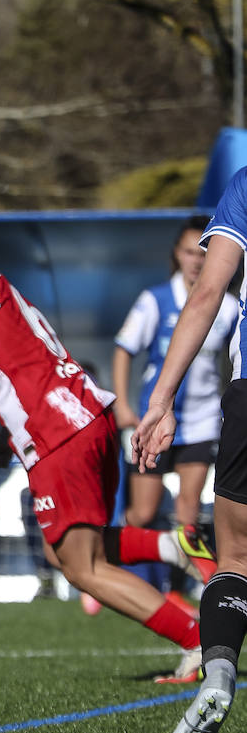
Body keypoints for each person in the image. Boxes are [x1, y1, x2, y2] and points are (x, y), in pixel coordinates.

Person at [0, 181, 208, 686]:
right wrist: (5, 434)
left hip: (60, 435)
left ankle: (197, 641)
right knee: (71, 551)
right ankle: (174, 548)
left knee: (83, 568)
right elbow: (25, 360)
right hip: (84, 417)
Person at [134, 176, 247, 733]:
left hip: (245, 399)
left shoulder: (246, 185)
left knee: (236, 560)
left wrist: (160, 400)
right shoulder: (149, 298)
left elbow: (207, 293)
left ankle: (220, 670)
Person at [112, 215, 231, 561]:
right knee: (144, 513)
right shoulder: (155, 299)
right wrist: (122, 403)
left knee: (187, 513)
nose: (196, 261)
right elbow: (124, 349)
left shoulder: (226, 306)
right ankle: (109, 569)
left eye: (203, 253)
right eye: (189, 252)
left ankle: (182, 593)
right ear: (177, 255)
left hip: (201, 421)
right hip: (155, 419)